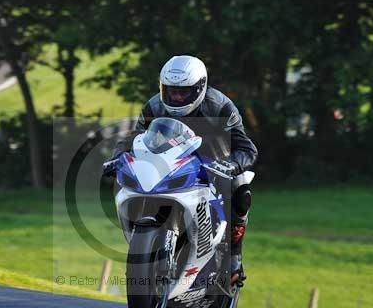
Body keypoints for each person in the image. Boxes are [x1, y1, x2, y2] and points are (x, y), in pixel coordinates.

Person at [104, 55, 258, 286]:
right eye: (170, 91)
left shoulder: (221, 106)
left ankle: (234, 256)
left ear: (199, 89)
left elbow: (245, 147)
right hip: (170, 161)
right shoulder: (154, 105)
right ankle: (150, 244)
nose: (175, 97)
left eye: (183, 92)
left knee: (241, 189)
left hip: (214, 162)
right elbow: (134, 138)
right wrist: (117, 157)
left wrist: (232, 164)